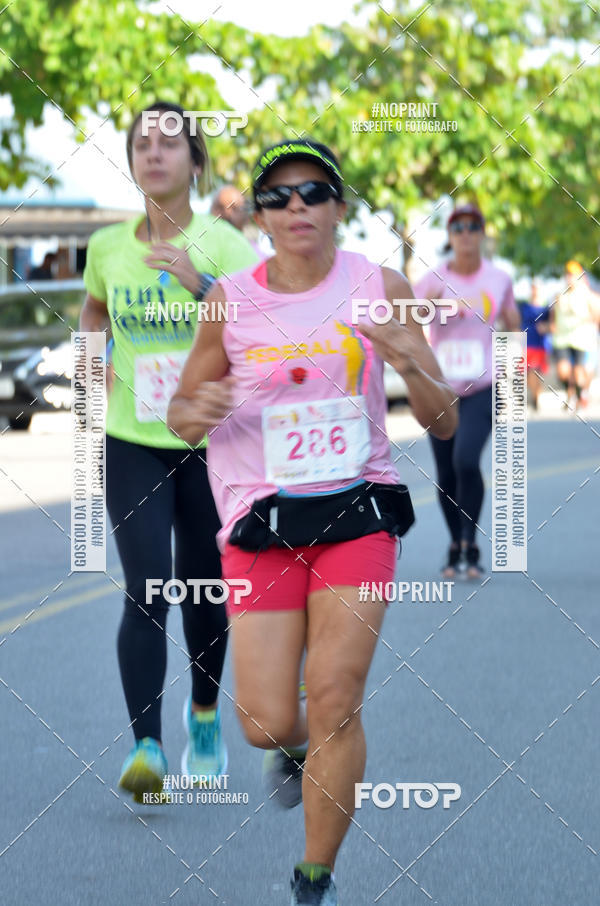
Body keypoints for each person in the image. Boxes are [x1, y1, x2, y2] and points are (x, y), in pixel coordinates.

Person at [167, 139, 457, 905]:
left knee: (334, 694)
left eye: (314, 191)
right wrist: (198, 408)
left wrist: (409, 363)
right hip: (261, 520)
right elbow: (182, 417)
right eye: (279, 195)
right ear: (260, 215)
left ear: (339, 205)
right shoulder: (228, 299)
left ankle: (313, 878)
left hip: (357, 509)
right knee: (266, 723)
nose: (297, 206)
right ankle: (291, 748)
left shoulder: (377, 283)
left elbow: (445, 422)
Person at [79, 101, 257, 802]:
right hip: (132, 441)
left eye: (170, 142)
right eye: (141, 143)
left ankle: (205, 715)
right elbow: (95, 309)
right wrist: (92, 358)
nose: (153, 153)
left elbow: (261, 328)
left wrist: (199, 284)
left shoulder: (227, 245)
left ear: (196, 160)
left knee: (205, 593)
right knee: (148, 588)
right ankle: (147, 748)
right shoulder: (106, 247)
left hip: (213, 446)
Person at [414, 203, 520, 579]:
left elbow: (511, 322)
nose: (465, 234)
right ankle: (456, 543)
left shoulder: (498, 279)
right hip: (440, 390)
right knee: (445, 472)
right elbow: (410, 317)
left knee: (465, 459)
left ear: (482, 233)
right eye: (458, 227)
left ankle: (469, 540)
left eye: (473, 226)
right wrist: (437, 307)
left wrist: (516, 367)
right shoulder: (432, 279)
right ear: (450, 235)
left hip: (483, 387)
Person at [551, 260, 600, 410]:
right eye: (568, 275)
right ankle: (570, 392)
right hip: (562, 339)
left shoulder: (587, 294)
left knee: (579, 371)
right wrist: (552, 325)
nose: (569, 278)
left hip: (581, 339)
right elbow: (553, 314)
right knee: (563, 371)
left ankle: (578, 396)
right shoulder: (559, 294)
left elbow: (596, 315)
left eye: (572, 275)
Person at [519, 281, 550, 410]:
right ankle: (534, 395)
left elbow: (552, 325)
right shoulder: (523, 307)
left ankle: (536, 398)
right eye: (533, 288)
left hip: (539, 345)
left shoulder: (546, 309)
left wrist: (546, 327)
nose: (534, 290)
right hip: (525, 343)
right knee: (526, 373)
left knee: (535, 371)